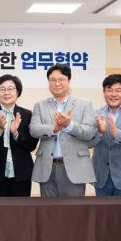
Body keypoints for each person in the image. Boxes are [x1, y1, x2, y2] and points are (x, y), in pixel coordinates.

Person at [30, 64, 95, 197]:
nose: (57, 83)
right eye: (53, 80)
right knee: (48, 208)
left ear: (69, 81)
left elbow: (89, 132)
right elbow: (34, 130)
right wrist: (53, 129)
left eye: (61, 79)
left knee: (73, 209)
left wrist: (69, 125)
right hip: (47, 168)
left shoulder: (85, 104)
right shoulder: (40, 105)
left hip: (75, 168)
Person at [0, 74, 38, 196]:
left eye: (10, 89)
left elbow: (31, 145)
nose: (6, 93)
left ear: (17, 92)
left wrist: (15, 133)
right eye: (2, 89)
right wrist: (0, 130)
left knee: (20, 207)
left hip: (21, 174)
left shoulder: (27, 114)